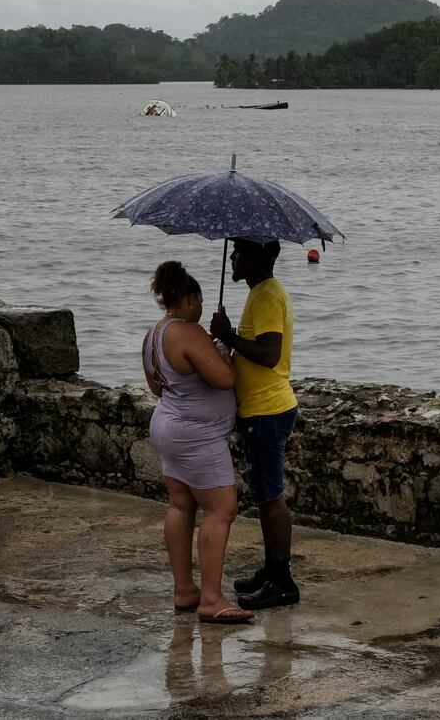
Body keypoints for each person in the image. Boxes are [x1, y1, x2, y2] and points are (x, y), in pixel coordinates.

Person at [141, 260, 253, 625]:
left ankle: (183, 589)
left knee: (181, 504)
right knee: (222, 508)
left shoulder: (153, 335)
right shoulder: (188, 333)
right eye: (200, 302)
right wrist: (222, 350)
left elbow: (156, 387)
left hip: (168, 425)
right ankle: (210, 599)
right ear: (189, 299)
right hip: (197, 434)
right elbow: (224, 379)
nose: (201, 309)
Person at [209, 238, 300, 610]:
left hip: (266, 409)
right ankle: (272, 569)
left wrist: (228, 335)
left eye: (240, 251)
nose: (233, 257)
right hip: (263, 407)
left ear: (260, 257)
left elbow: (269, 353)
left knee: (270, 498)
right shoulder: (262, 291)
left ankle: (282, 582)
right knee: (266, 496)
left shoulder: (265, 296)